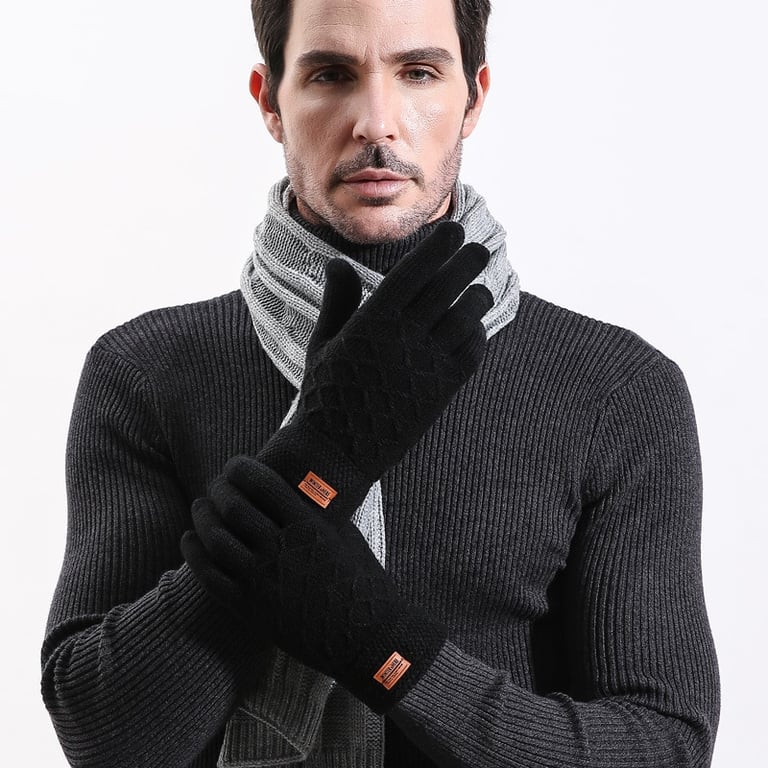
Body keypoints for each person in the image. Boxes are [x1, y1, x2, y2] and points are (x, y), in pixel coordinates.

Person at [41, 0, 720, 766]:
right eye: (331, 74)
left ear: (474, 97)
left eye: (418, 72)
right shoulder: (145, 371)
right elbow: (107, 739)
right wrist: (325, 453)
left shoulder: (615, 390)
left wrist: (381, 646)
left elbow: (665, 747)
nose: (376, 122)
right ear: (269, 102)